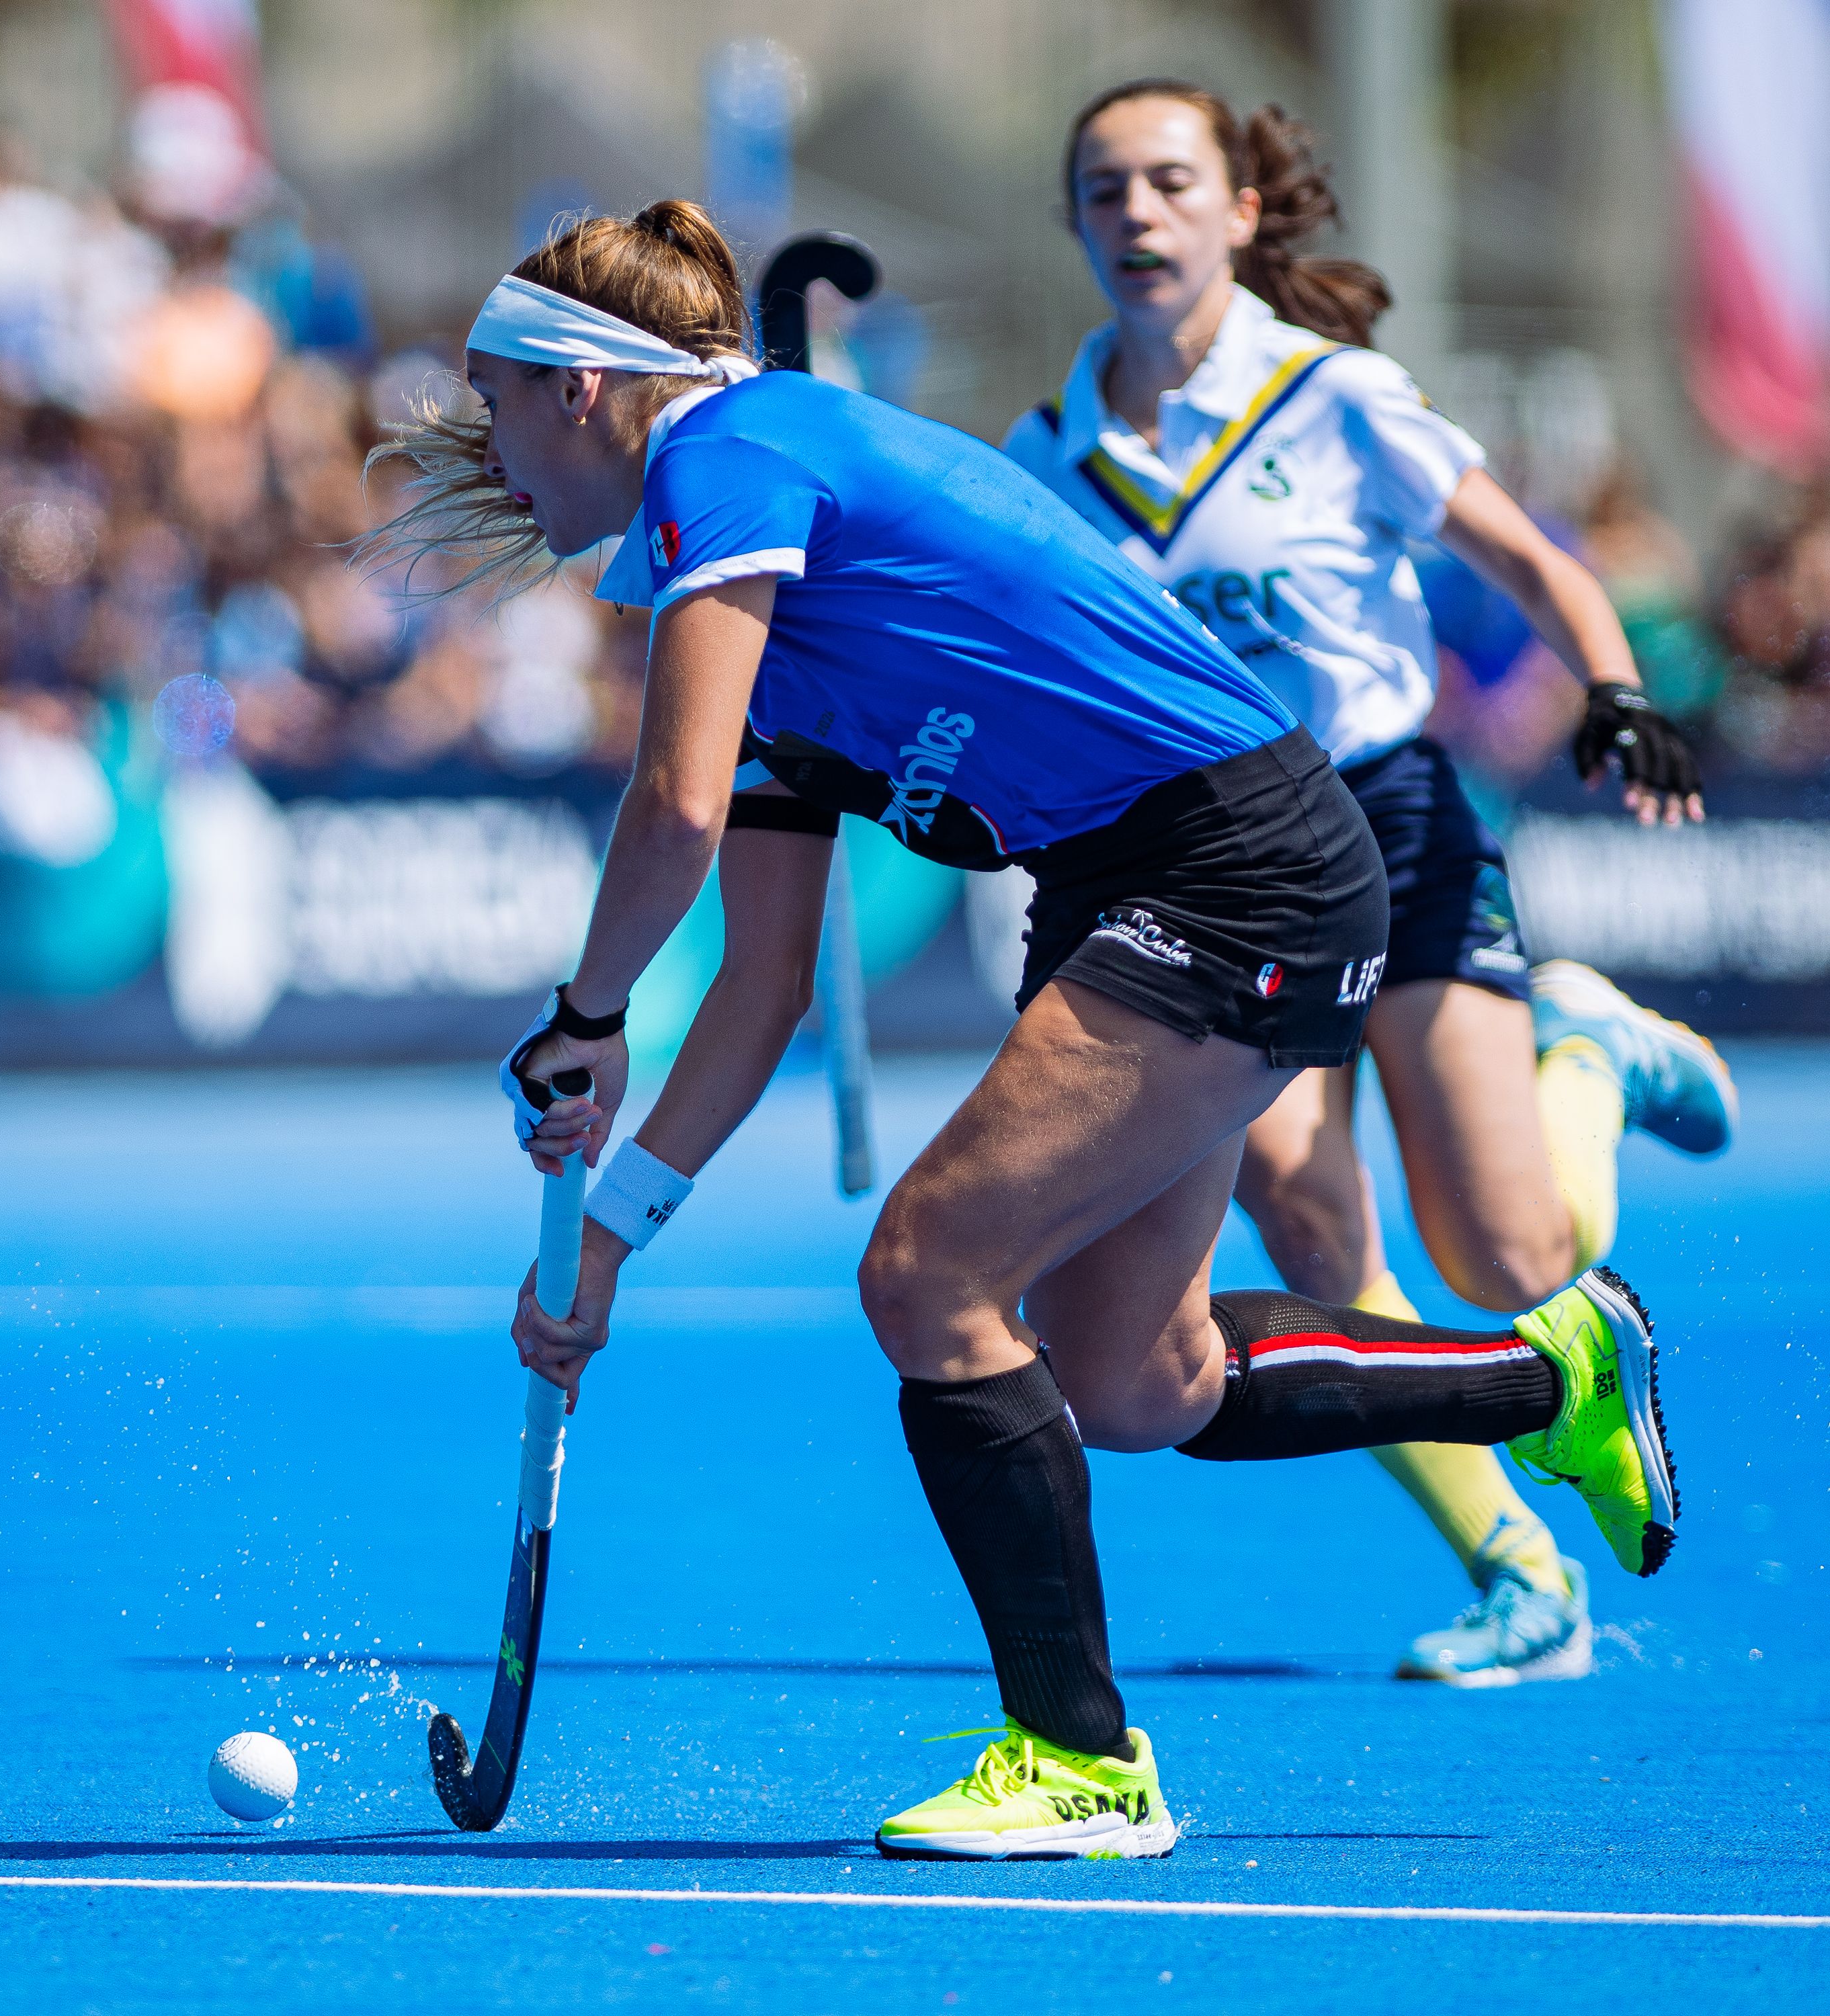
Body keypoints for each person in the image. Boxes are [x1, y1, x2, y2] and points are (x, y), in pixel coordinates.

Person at [368, 202, 1678, 1860]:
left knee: (929, 1275)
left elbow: (672, 808)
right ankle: (1549, 1375)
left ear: (580, 386)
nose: (491, 448)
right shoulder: (745, 579)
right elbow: (761, 986)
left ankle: (1081, 1760)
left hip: (1234, 862)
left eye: (496, 398)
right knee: (1134, 1378)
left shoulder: (732, 452)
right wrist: (611, 1236)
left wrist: (586, 1013)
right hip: (1129, 879)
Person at [1003, 81, 1729, 1689]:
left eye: (1169, 182)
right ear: (1074, 223)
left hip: (1390, 824)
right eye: (1105, 189)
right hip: (1217, 871)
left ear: (1240, 210)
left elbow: (1533, 558)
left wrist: (1613, 689)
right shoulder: (1043, 458)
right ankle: (1518, 1569)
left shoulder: (1332, 396)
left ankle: (1591, 1060)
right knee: (1308, 1213)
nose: (1137, 214)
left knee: (1507, 1261)